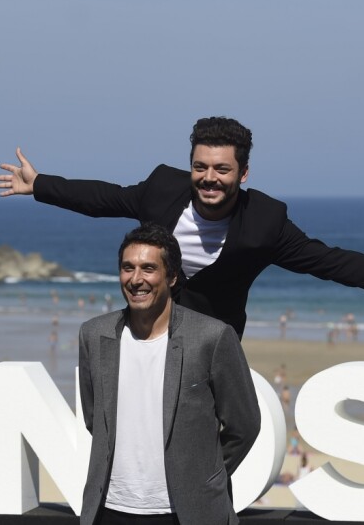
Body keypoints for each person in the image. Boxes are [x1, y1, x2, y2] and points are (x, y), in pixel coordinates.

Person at [0, 117, 364, 339]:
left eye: (222, 169)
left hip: (210, 340)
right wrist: (41, 186)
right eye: (200, 167)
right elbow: (105, 198)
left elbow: (332, 262)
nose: (209, 179)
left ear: (243, 174)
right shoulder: (162, 189)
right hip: (145, 328)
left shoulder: (265, 223)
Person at [77, 224, 260, 525]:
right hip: (109, 510)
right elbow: (93, 417)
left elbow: (245, 424)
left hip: (186, 513)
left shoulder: (212, 337)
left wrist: (204, 477)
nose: (136, 279)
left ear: (172, 277)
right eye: (128, 268)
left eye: (149, 268)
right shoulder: (94, 334)